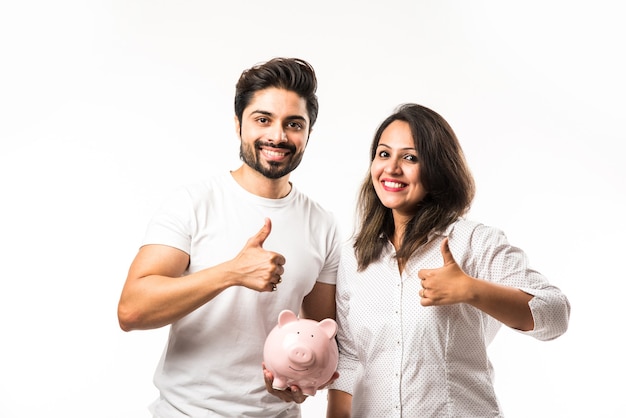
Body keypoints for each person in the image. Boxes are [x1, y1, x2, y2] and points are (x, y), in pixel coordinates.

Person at [117, 57, 342, 418]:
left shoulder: (323, 225)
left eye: (294, 124)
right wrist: (231, 272)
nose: (278, 136)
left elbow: (319, 336)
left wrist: (299, 384)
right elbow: (131, 310)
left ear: (308, 132)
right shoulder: (193, 204)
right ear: (239, 124)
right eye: (263, 119)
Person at [326, 103, 571, 417]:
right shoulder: (353, 256)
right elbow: (348, 359)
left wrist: (470, 290)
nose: (392, 168)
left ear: (437, 168)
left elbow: (555, 315)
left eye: (410, 157)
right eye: (384, 154)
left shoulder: (473, 242)